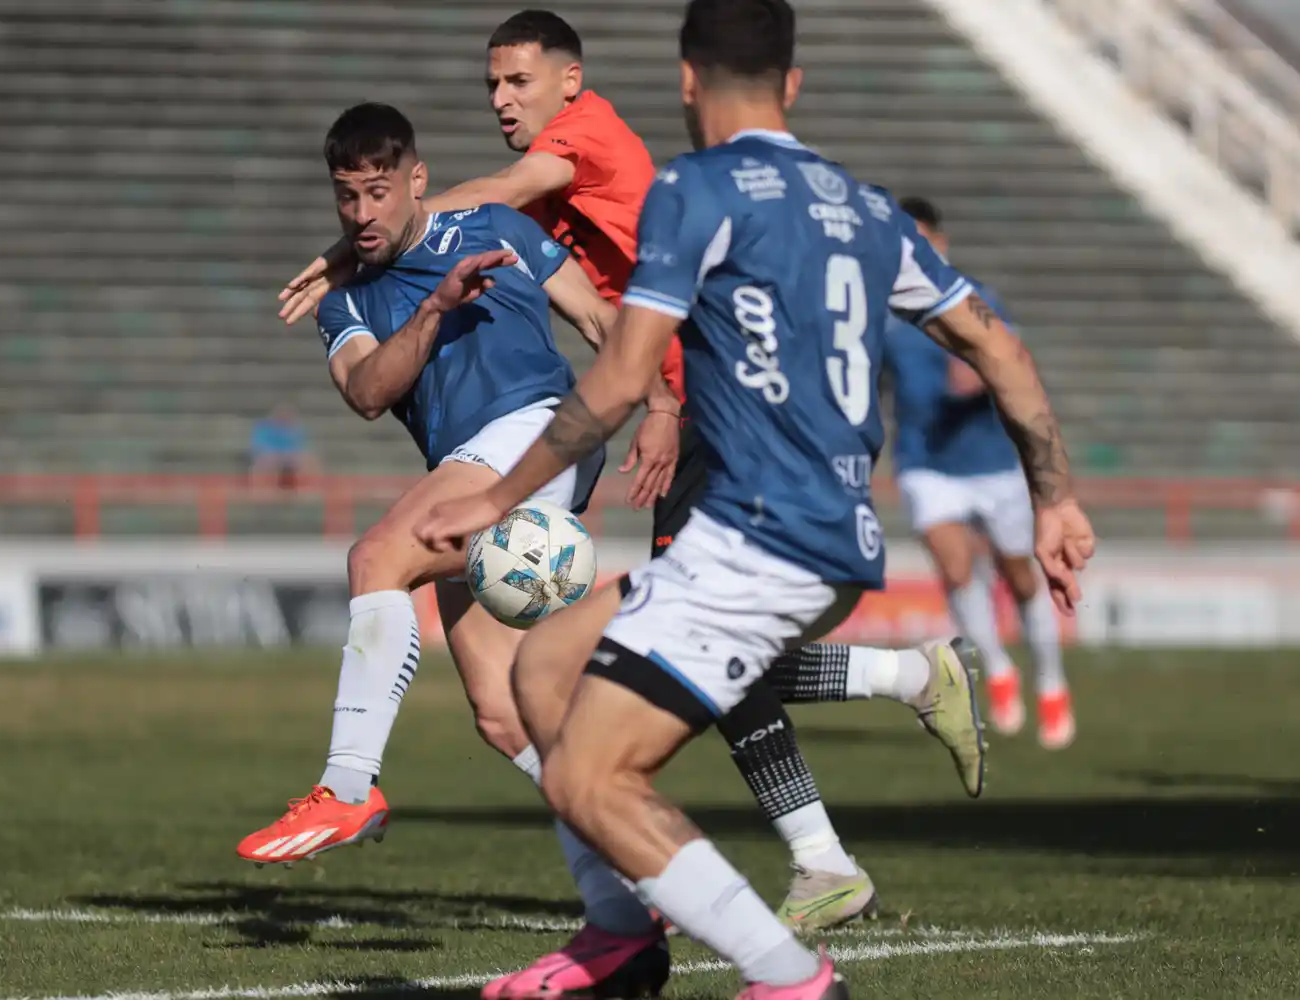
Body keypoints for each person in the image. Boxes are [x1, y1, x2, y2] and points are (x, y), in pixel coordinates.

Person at [416, 1, 1095, 997]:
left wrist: (500, 498)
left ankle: (792, 978)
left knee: (586, 775)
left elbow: (617, 378)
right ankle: (621, 933)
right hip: (827, 535)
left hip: (761, 536)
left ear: (688, 82)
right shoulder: (866, 209)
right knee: (544, 668)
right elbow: (999, 345)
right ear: (794, 82)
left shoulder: (694, 191)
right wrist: (1056, 500)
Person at [276, 9, 986, 930]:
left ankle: (806, 856)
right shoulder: (515, 204)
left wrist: (349, 244)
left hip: (692, 396)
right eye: (490, 84)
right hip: (665, 391)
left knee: (670, 640)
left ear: (569, 82)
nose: (500, 100)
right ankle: (860, 754)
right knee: (522, 703)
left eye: (517, 82)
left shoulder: (580, 139)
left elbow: (489, 193)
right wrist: (368, 241)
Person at [236, 102, 661, 864]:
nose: (363, 212)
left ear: (416, 180)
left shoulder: (497, 227)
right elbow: (367, 392)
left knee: (376, 559)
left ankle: (347, 785)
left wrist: (661, 402)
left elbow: (601, 321)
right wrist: (435, 307)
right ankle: (639, 867)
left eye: (379, 191)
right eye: (347, 195)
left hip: (537, 430)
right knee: (501, 712)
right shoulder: (344, 299)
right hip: (468, 463)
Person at [885, 197, 1075, 749]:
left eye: (919, 241)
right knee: (954, 565)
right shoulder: (880, 314)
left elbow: (1010, 359)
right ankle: (995, 668)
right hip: (926, 463)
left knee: (1018, 575)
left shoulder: (973, 300)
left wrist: (981, 376)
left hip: (992, 462)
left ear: (940, 244)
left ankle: (1051, 680)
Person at [248, 402, 318, 488]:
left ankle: (307, 489)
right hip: (271, 456)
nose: (284, 417)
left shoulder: (296, 430)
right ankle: (264, 490)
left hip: (290, 457)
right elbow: (258, 446)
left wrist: (289, 455)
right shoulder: (263, 428)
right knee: (266, 461)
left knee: (308, 460)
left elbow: (302, 446)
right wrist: (276, 455)